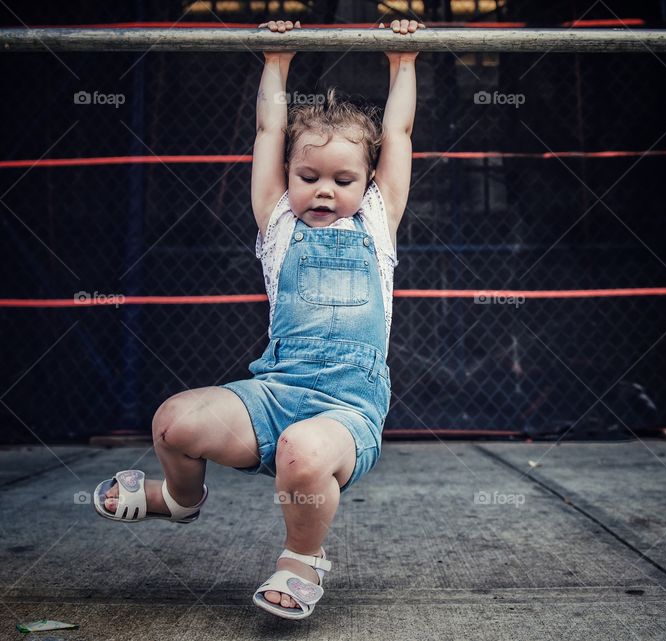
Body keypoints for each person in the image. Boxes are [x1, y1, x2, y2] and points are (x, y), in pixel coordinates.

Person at [92, 17, 422, 620]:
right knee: (173, 422)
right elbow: (270, 125)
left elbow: (397, 131)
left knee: (300, 451)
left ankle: (302, 560)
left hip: (346, 407)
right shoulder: (277, 223)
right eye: (309, 177)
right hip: (275, 390)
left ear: (369, 180)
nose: (324, 191)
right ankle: (182, 499)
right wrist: (275, 60)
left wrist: (403, 61)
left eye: (343, 180)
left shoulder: (376, 224)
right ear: (289, 178)